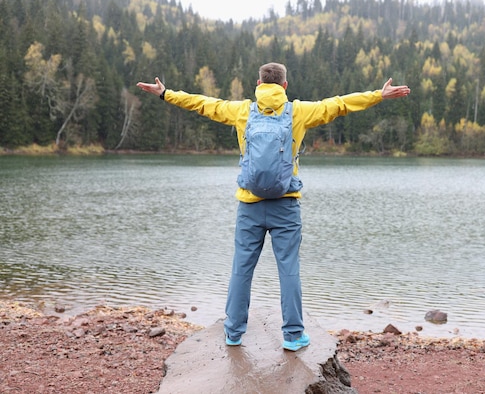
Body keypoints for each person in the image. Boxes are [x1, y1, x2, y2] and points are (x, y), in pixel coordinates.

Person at [136, 63, 410, 351]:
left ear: (258, 83)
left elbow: (203, 104)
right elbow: (340, 105)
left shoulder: (242, 111)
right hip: (285, 205)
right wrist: (378, 95)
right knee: (288, 269)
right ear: (285, 86)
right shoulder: (298, 111)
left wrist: (165, 94)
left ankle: (233, 332)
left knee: (242, 268)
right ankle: (292, 336)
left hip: (249, 204)